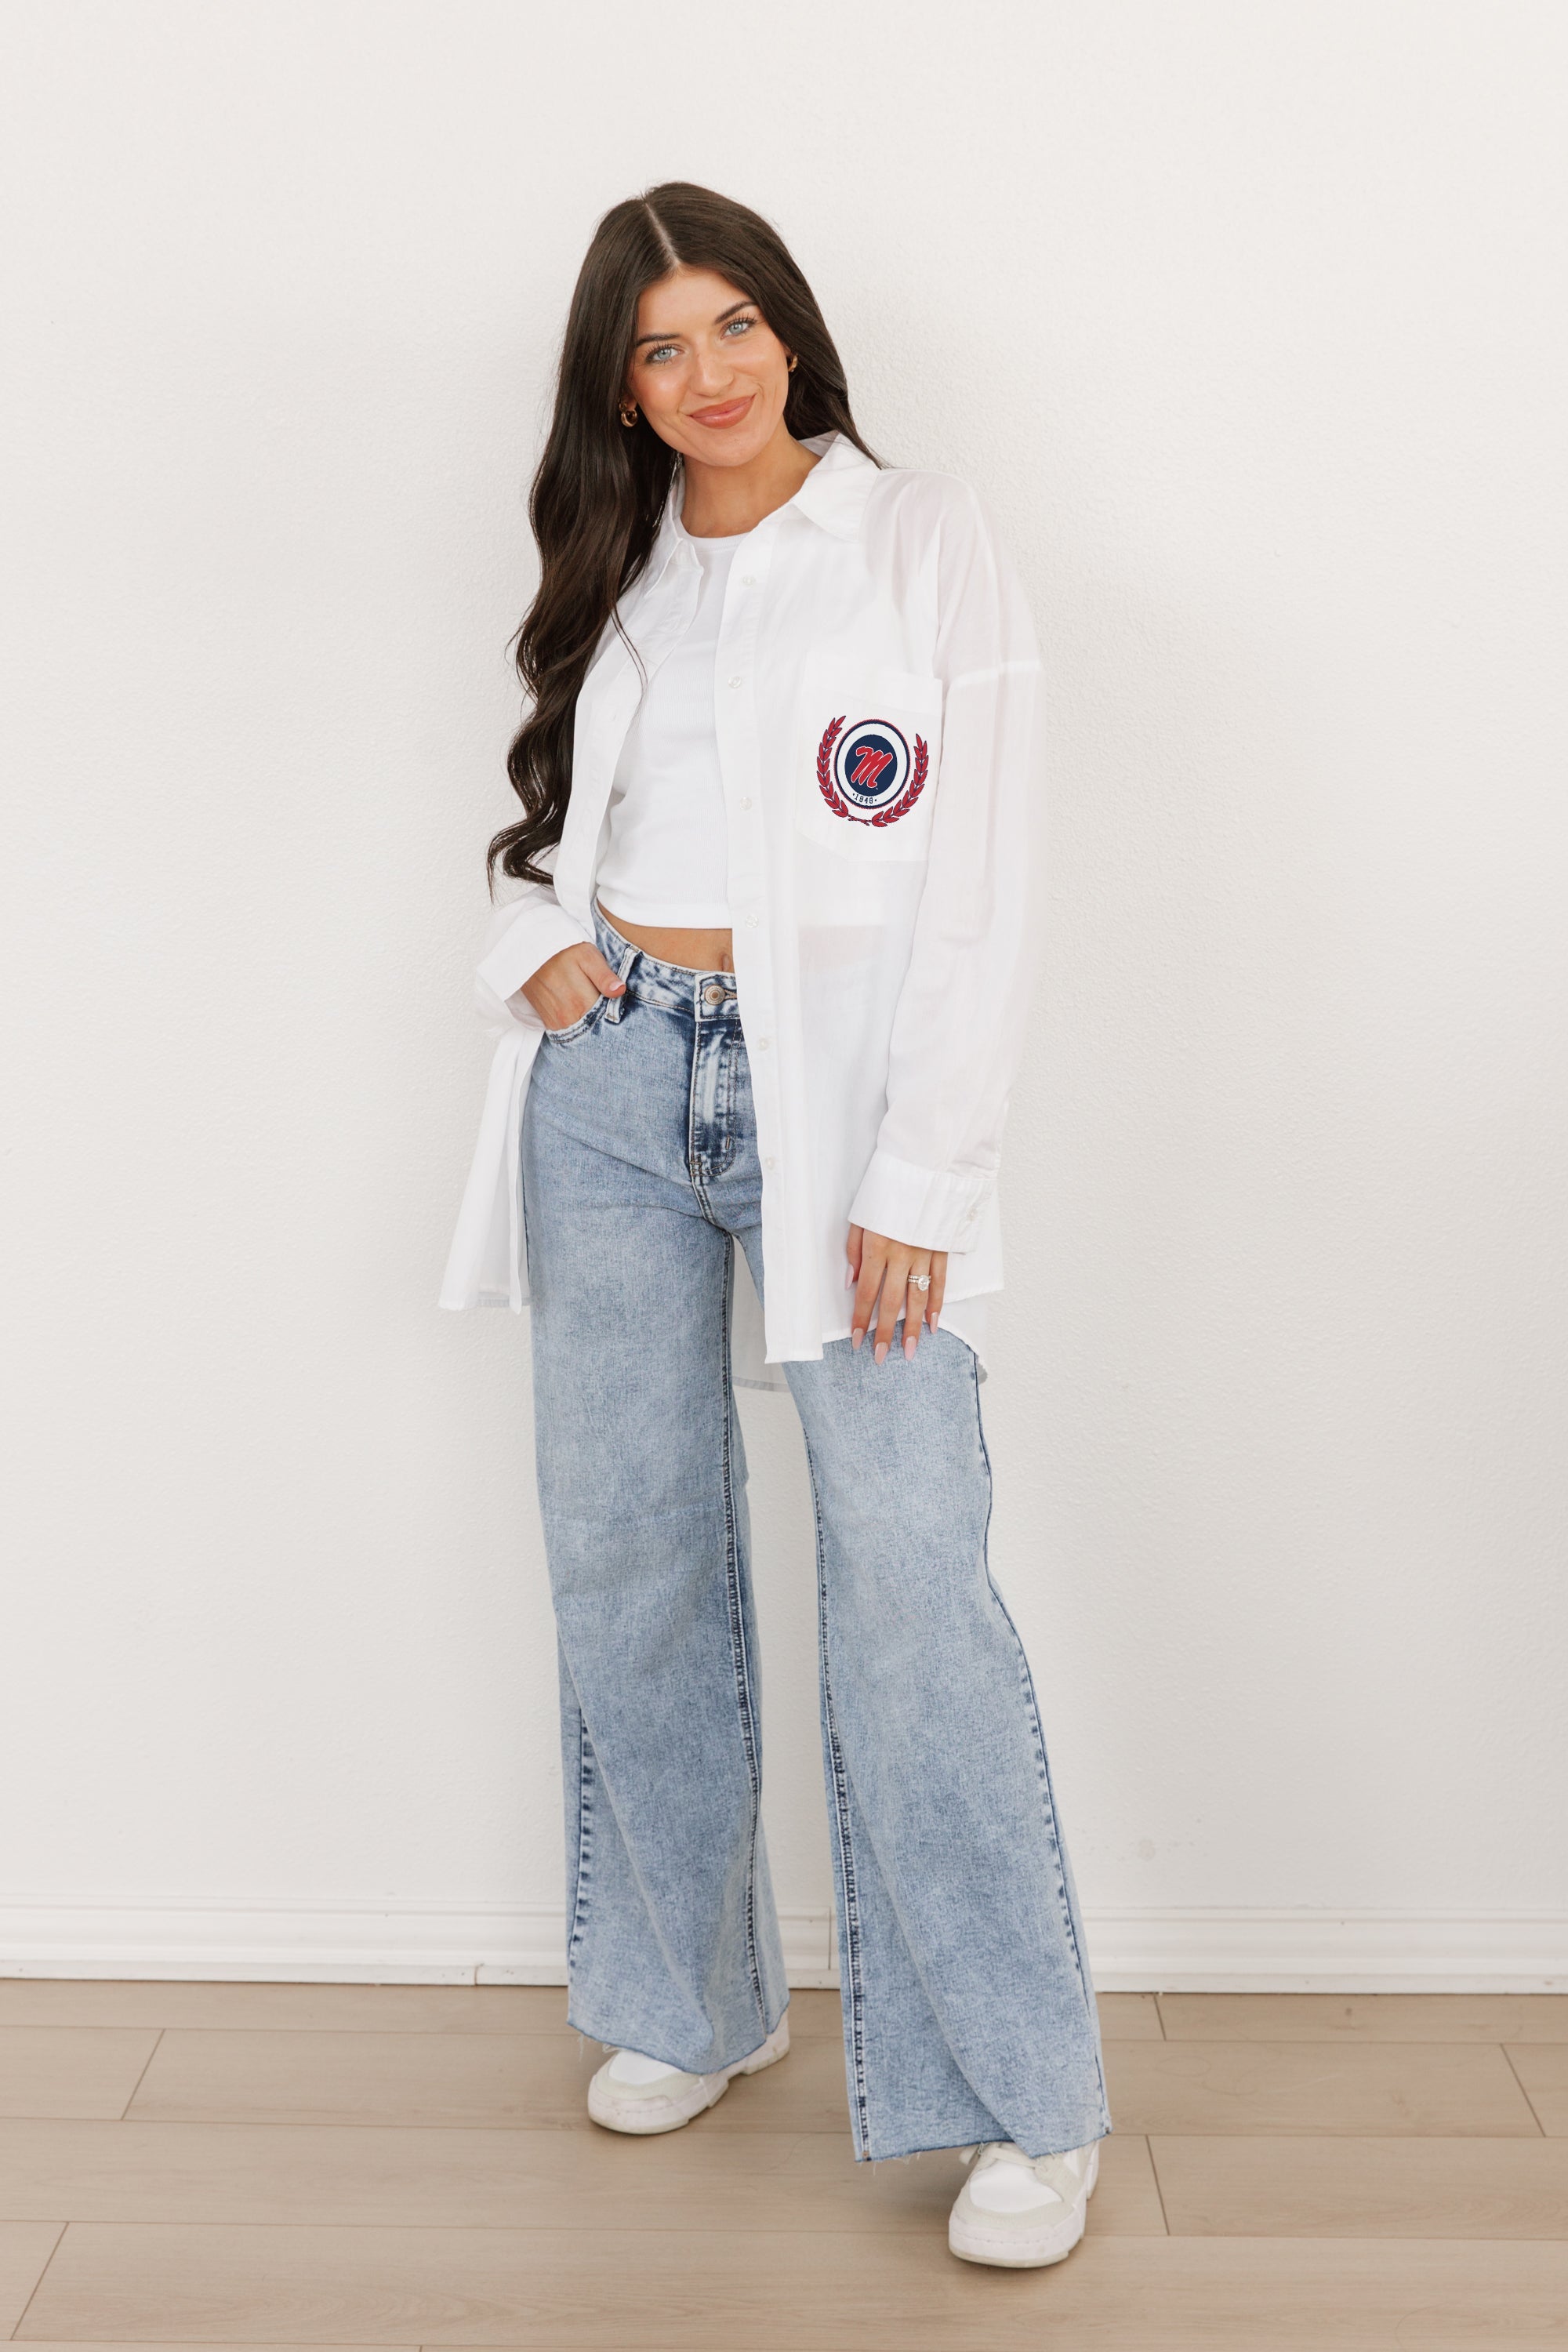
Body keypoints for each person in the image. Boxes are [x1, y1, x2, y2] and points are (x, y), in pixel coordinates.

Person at [441, 181, 1109, 2268]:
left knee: (911, 1585)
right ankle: (689, 1999)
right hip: (613, 1085)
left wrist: (924, 1174)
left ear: (793, 333)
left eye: (733, 325)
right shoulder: (621, 558)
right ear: (621, 389)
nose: (708, 372)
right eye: (661, 347)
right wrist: (529, 946)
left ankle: (1024, 2100)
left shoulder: (921, 539)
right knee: (627, 1552)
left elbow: (983, 877)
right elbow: (557, 817)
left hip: (845, 1117)